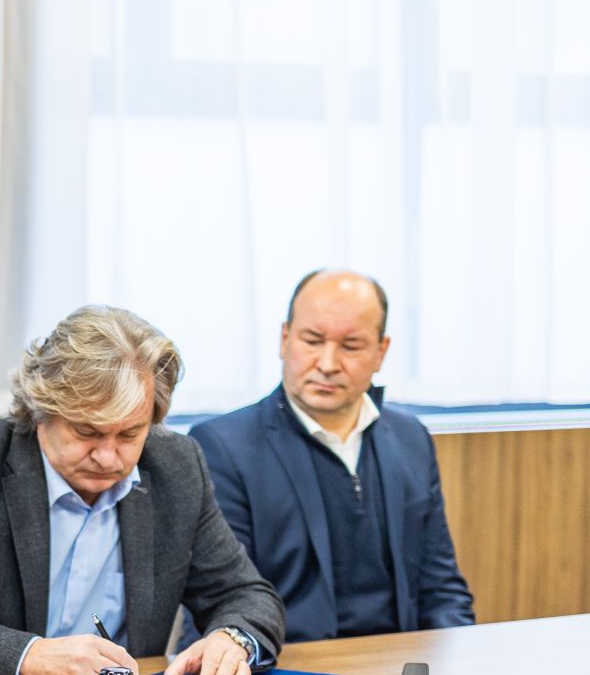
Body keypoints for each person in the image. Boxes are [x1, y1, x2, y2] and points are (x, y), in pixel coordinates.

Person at [0, 304, 284, 675]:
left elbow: (246, 594)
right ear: (41, 408)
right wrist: (32, 657)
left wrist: (233, 639)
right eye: (87, 432)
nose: (108, 457)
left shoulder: (177, 467)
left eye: (129, 434)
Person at [191, 269, 473, 643]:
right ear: (284, 339)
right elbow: (224, 598)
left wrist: (460, 658)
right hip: (284, 664)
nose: (327, 363)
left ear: (380, 352)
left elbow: (441, 587)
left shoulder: (410, 438)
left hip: (400, 659)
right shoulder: (222, 446)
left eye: (351, 346)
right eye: (312, 340)